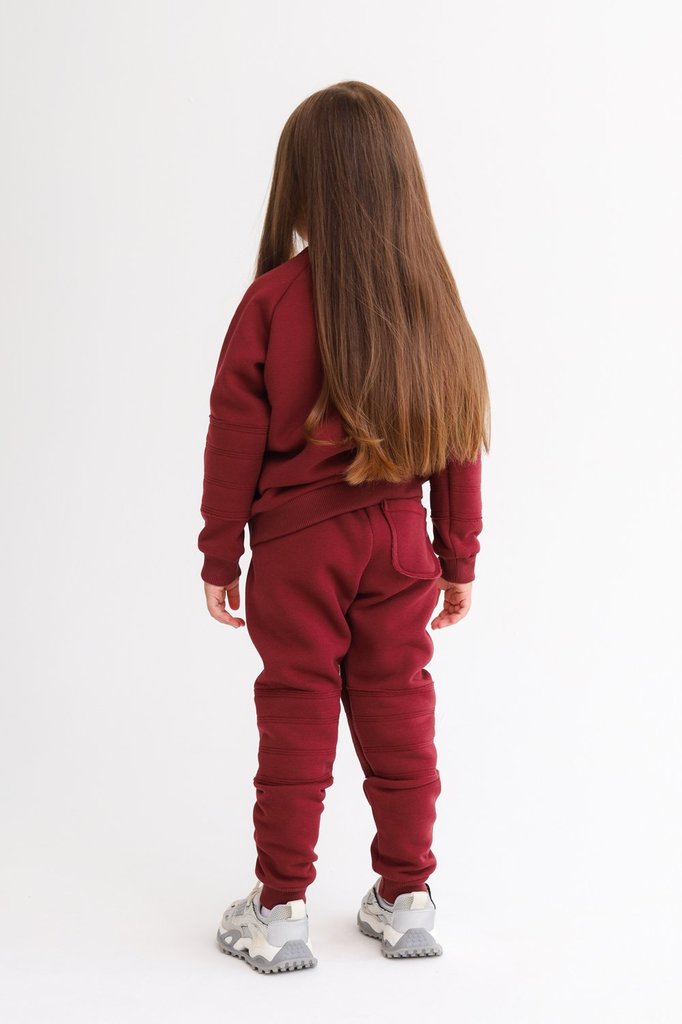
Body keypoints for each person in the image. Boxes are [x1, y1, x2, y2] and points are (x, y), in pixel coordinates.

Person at [198, 80, 490, 974]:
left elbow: (233, 438)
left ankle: (281, 910)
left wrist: (220, 553)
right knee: (400, 708)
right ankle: (407, 899)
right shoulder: (431, 303)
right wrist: (457, 557)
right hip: (401, 544)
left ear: (302, 185)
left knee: (297, 713)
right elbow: (461, 438)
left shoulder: (272, 301)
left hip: (298, 549)